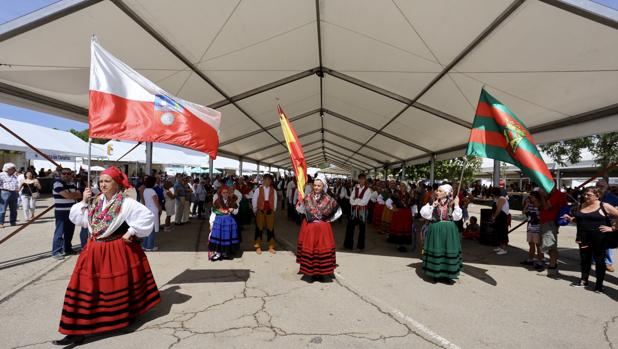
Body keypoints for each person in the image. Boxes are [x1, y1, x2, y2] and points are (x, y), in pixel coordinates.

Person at [52, 166, 159, 345]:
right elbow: (80, 220)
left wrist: (132, 230)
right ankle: (75, 330)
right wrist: (84, 201)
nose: (103, 184)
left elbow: (147, 217)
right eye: (101, 181)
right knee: (83, 287)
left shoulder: (126, 203)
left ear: (116, 184)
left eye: (107, 181)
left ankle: (119, 318)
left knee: (114, 286)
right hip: (93, 250)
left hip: (114, 250)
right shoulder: (95, 201)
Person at [563, 187, 618, 293]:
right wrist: (571, 219)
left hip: (600, 238)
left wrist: (613, 228)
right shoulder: (581, 205)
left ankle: (599, 285)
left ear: (597, 196)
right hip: (583, 237)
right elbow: (581, 220)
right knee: (584, 260)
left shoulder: (604, 206)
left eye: (589, 195)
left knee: (599, 261)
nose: (585, 196)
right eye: (585, 194)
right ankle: (584, 281)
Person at [296, 173, 342, 282]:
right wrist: (299, 204)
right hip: (310, 229)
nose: (316, 187)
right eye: (315, 185)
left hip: (323, 230)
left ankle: (322, 273)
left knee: (321, 250)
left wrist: (328, 220)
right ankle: (310, 273)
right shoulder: (307, 197)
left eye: (319, 185)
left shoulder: (329, 199)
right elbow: (300, 210)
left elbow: (338, 211)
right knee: (311, 250)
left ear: (323, 186)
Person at [420, 184, 463, 284]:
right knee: (437, 250)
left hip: (449, 230)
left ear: (446, 193)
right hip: (435, 229)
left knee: (448, 251)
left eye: (439, 191)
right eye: (437, 190)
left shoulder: (452, 202)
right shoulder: (432, 201)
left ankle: (448, 274)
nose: (436, 192)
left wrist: (457, 204)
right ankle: (435, 273)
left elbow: (457, 217)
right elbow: (424, 214)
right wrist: (432, 206)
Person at [52, 169, 82, 260]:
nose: (66, 175)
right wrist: (73, 194)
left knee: (69, 231)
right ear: (60, 174)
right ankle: (56, 251)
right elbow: (68, 196)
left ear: (71, 175)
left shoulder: (72, 184)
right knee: (59, 232)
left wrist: (71, 194)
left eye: (69, 173)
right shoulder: (57, 184)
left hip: (72, 211)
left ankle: (67, 249)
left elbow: (80, 195)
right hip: (61, 211)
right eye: (64, 173)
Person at [539, 186, 567, 277]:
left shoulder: (557, 194)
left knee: (551, 245)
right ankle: (553, 265)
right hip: (547, 222)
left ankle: (552, 268)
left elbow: (547, 207)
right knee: (549, 244)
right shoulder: (552, 195)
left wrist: (542, 196)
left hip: (550, 222)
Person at [208, 185, 240, 261]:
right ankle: (218, 253)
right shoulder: (217, 201)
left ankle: (225, 253)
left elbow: (236, 210)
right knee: (219, 237)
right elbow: (214, 211)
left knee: (227, 237)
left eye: (227, 192)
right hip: (219, 222)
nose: (225, 194)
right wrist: (211, 223)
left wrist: (233, 209)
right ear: (221, 193)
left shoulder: (232, 200)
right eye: (224, 192)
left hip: (229, 222)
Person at [344, 174, 371, 251]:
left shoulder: (368, 190)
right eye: (360, 179)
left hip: (362, 211)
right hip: (354, 211)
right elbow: (351, 200)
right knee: (350, 227)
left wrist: (356, 200)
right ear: (358, 180)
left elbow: (364, 202)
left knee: (362, 229)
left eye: (363, 179)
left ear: (365, 180)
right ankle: (348, 245)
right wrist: (357, 200)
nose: (361, 181)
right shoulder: (355, 188)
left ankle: (360, 246)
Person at [252, 174, 277, 254]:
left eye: (270, 180)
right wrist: (255, 210)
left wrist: (273, 209)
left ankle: (271, 246)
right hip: (261, 211)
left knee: (271, 229)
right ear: (263, 180)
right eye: (267, 179)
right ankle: (258, 246)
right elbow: (254, 199)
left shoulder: (273, 190)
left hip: (270, 211)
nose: (268, 181)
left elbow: (275, 200)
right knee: (259, 229)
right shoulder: (258, 190)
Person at [596, 179, 618, 272]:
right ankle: (596, 259)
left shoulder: (613, 198)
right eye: (598, 185)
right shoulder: (594, 196)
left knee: (607, 244)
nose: (599, 188)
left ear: (606, 187)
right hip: (595, 222)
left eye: (601, 186)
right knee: (595, 242)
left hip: (608, 222)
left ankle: (608, 262)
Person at [521, 191, 544, 270]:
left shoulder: (540, 205)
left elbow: (542, 216)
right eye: (530, 197)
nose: (530, 198)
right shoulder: (530, 205)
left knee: (538, 245)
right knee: (531, 244)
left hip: (538, 228)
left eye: (532, 197)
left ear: (536, 197)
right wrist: (526, 205)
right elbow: (523, 212)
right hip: (530, 227)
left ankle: (540, 261)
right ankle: (530, 259)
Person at [141, 176, 161, 251]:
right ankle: (150, 246)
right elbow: (155, 201)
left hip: (147, 210)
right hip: (153, 210)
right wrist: (159, 208)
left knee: (148, 229)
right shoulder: (152, 191)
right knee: (152, 230)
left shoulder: (145, 190)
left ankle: (145, 245)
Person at [490, 187, 510, 255]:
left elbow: (498, 209)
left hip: (502, 217)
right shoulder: (498, 198)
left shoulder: (502, 198)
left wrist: (494, 217)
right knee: (499, 232)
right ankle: (501, 247)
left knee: (503, 232)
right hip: (500, 217)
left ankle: (504, 248)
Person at [0, 162, 20, 228]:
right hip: (4, 192)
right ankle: (1, 223)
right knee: (2, 209)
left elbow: (16, 184)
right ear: (7, 169)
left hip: (14, 193)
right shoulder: (1, 175)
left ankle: (13, 222)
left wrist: (17, 190)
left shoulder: (14, 175)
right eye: (13, 168)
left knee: (14, 209)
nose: (14, 169)